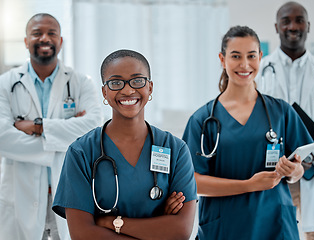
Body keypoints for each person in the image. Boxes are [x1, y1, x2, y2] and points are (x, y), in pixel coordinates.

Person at [182, 25, 314, 240]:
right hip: (225, 226)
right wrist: (249, 185)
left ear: (260, 57)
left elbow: (303, 165)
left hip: (275, 225)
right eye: (235, 56)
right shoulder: (203, 120)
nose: (244, 64)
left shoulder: (281, 111)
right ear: (222, 59)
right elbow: (192, 181)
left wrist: (293, 171)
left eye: (251, 56)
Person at [52, 49, 197, 239]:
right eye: (116, 82)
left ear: (150, 88)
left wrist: (112, 223)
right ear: (104, 92)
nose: (128, 90)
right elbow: (82, 234)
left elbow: (180, 230)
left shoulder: (176, 150)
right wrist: (157, 229)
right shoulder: (81, 153)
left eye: (137, 81)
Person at [0, 13, 102, 240]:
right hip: (20, 193)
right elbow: (2, 139)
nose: (44, 38)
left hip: (68, 194)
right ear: (26, 41)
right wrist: (64, 136)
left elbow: (93, 129)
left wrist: (37, 127)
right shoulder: (6, 84)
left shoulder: (80, 82)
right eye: (37, 33)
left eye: (51, 33)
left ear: (61, 41)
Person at [256, 2, 314, 239]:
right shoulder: (260, 71)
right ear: (276, 26)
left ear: (308, 25)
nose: (293, 26)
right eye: (286, 20)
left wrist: (312, 155)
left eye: (299, 20)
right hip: (275, 170)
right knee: (275, 231)